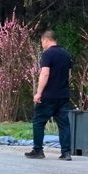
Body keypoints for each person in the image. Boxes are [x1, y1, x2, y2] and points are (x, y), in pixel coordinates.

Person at [26, 30, 73, 160]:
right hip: (63, 95)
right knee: (64, 125)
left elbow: (45, 73)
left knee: (38, 122)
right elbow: (69, 75)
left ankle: (38, 150)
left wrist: (39, 93)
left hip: (48, 96)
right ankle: (66, 153)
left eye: (42, 42)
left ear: (46, 40)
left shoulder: (47, 54)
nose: (42, 45)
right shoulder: (66, 54)